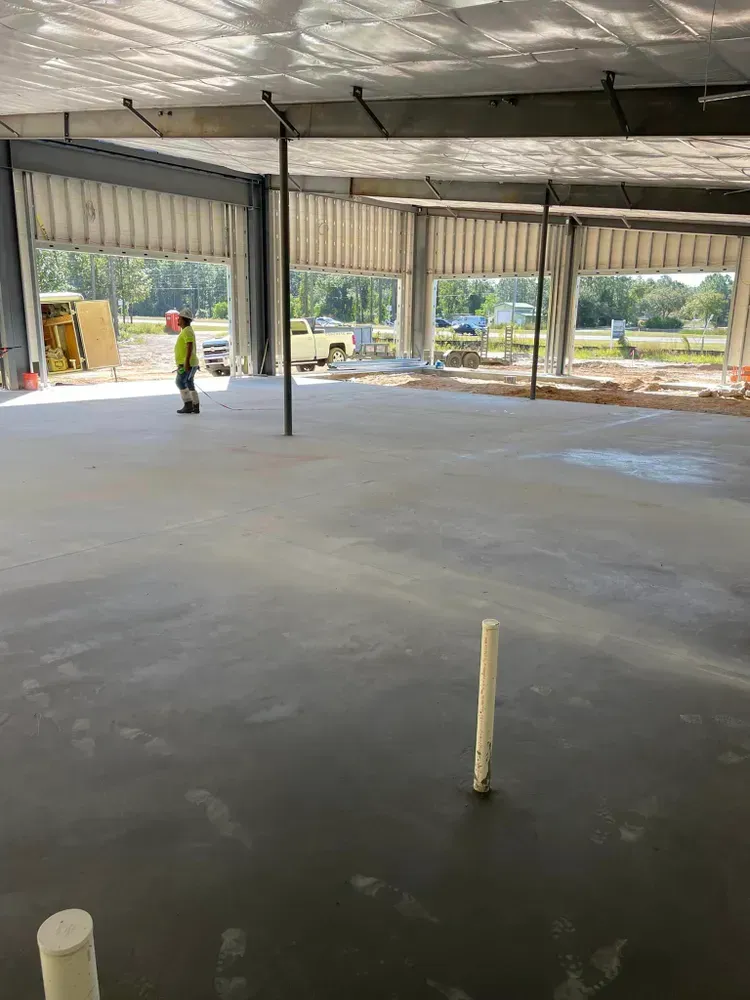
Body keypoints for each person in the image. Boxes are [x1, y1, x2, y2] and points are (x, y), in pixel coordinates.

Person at [174, 307, 200, 414]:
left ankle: (188, 405)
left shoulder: (187, 331)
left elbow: (189, 346)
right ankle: (195, 406)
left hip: (186, 364)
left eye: (179, 318)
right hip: (190, 363)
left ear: (184, 319)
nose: (177, 320)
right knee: (189, 383)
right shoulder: (187, 331)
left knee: (180, 382)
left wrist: (186, 363)